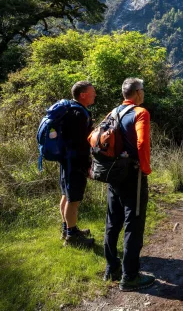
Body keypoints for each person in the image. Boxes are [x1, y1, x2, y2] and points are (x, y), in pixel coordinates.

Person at [103, 78, 156, 291]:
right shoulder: (140, 113)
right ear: (137, 93)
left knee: (112, 222)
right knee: (133, 224)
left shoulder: (111, 113)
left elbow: (96, 138)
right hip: (132, 176)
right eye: (142, 90)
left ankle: (111, 268)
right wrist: (145, 168)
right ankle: (130, 277)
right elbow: (142, 142)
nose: (144, 93)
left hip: (113, 174)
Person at [60, 81, 96, 247]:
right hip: (75, 162)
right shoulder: (78, 114)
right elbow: (81, 143)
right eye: (92, 92)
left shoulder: (70, 109)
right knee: (73, 199)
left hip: (66, 160)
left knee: (66, 196)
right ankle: (72, 237)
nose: (94, 95)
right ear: (83, 94)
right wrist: (88, 164)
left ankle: (67, 229)